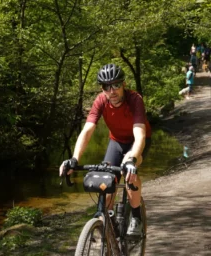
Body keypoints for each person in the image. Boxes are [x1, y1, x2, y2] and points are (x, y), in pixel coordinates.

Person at [59, 64, 152, 236]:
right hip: (116, 141)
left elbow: (139, 134)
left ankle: (136, 217)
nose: (112, 91)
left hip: (137, 142)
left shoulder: (134, 99)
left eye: (116, 85)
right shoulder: (101, 100)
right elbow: (87, 130)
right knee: (106, 178)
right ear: (102, 88)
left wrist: (132, 158)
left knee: (130, 172)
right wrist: (74, 159)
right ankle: (107, 222)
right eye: (106, 87)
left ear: (124, 84)